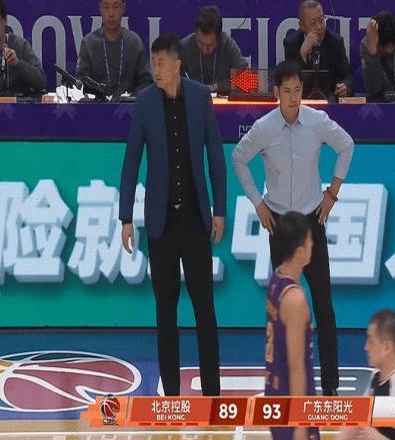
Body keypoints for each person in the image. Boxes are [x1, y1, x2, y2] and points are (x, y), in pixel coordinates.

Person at [232, 61, 354, 396]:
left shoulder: (316, 121)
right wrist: (257, 202)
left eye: (298, 91)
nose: (292, 98)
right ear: (276, 92)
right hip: (281, 225)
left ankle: (330, 387)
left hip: (312, 220)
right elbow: (238, 158)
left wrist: (332, 193)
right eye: (286, 91)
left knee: (323, 304)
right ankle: (287, 386)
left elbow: (347, 145)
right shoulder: (264, 127)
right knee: (285, 307)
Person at [119, 33, 226, 396]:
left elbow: (215, 157)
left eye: (162, 63)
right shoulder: (145, 102)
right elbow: (132, 161)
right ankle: (172, 397)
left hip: (195, 219)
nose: (156, 70)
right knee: (165, 313)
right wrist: (126, 217)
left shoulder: (200, 97)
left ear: (177, 65)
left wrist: (220, 210)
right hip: (161, 223)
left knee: (204, 310)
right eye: (153, 63)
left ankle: (212, 394)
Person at [266, 211, 320, 440]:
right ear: (299, 252)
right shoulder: (295, 301)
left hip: (274, 391)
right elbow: (296, 365)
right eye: (309, 241)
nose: (312, 244)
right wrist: (300, 424)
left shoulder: (276, 278)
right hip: (292, 401)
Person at [337, 309, 395, 440]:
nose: (366, 347)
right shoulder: (377, 376)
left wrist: (376, 438)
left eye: (371, 341)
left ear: (386, 347)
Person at [75, 0, 151, 96]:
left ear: (123, 8)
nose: (111, 14)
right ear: (100, 8)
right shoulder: (89, 43)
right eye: (106, 7)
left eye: (115, 7)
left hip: (130, 104)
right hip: (96, 104)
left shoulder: (135, 43)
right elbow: (81, 83)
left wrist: (131, 98)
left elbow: (146, 83)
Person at [283, 0, 353, 100]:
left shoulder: (336, 42)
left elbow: (347, 76)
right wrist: (302, 53)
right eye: (313, 23)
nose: (319, 27)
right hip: (301, 101)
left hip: (329, 100)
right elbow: (289, 80)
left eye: (321, 20)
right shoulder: (291, 43)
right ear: (301, 25)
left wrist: (345, 87)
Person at [180, 5, 248, 95]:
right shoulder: (184, 46)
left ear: (218, 38)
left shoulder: (227, 44)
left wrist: (218, 87)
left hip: (222, 101)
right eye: (200, 43)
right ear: (196, 33)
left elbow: (247, 81)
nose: (204, 50)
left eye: (209, 45)